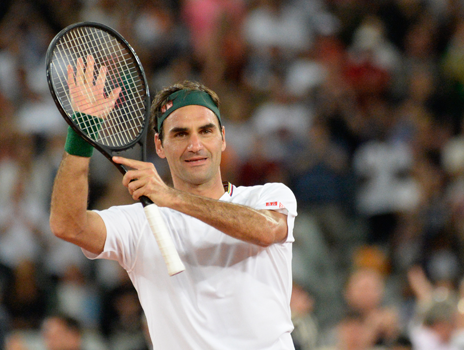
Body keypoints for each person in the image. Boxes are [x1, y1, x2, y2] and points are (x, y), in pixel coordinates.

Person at [50, 57, 297, 349]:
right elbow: (68, 225)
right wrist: (81, 135)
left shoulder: (267, 196)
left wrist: (173, 198)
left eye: (205, 131)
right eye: (180, 134)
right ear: (159, 145)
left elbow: (266, 230)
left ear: (223, 138)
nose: (195, 145)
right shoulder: (138, 222)